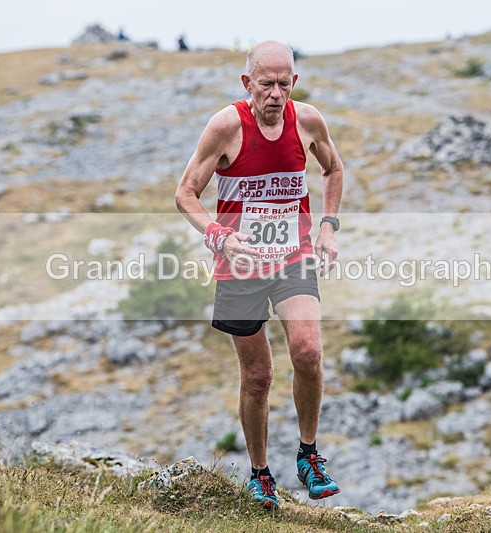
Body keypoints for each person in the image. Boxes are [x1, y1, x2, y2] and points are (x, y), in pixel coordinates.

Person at [175, 40, 343, 510]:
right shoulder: (225, 127)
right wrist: (218, 235)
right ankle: (260, 474)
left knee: (308, 352)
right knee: (257, 376)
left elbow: (333, 169)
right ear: (247, 83)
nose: (275, 93)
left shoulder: (308, 121)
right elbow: (185, 193)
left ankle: (309, 456)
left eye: (283, 83)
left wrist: (328, 226)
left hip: (292, 256)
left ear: (295, 82)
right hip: (240, 263)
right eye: (265, 83)